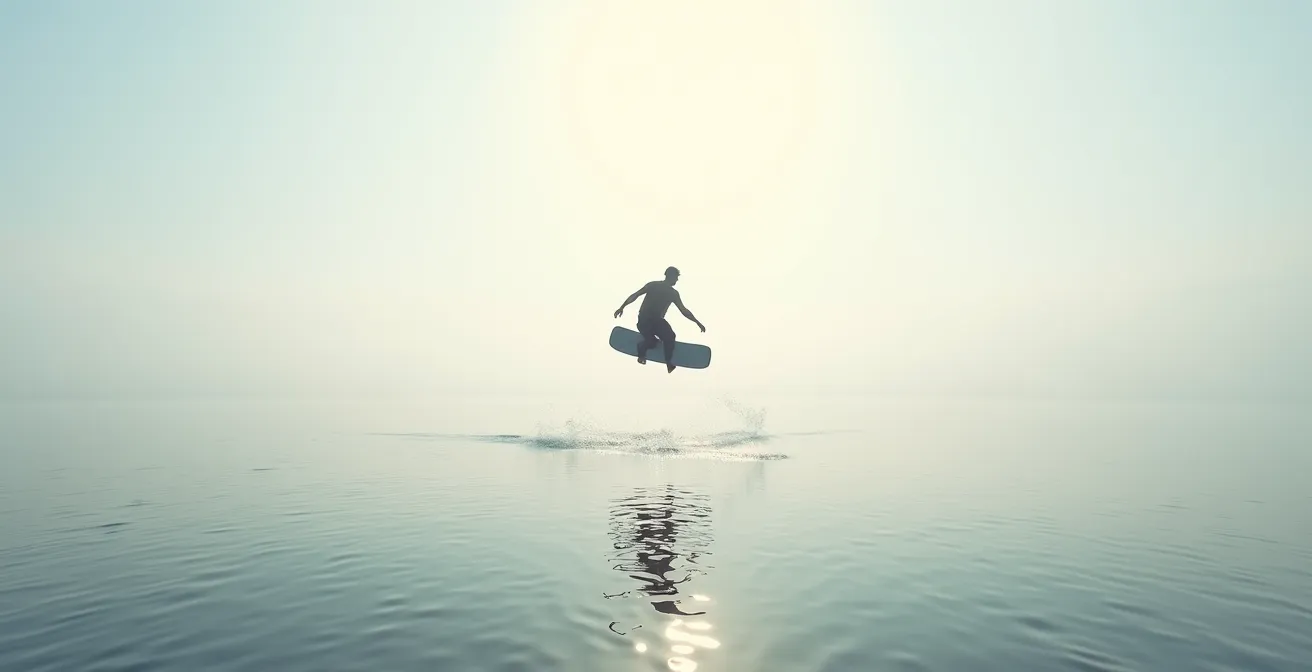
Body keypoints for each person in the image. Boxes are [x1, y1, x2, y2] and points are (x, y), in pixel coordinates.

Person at [614, 266, 706, 373]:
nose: (677, 280)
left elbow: (684, 311)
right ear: (670, 276)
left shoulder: (671, 292)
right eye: (676, 277)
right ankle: (645, 352)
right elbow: (635, 295)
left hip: (654, 322)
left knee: (665, 338)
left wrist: (697, 322)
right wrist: (622, 307)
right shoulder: (655, 286)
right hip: (646, 320)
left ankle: (666, 360)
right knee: (659, 340)